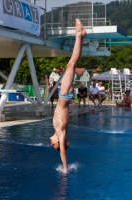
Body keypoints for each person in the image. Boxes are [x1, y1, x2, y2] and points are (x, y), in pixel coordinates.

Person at [50, 19, 87, 172]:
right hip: (65, 96)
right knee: (71, 64)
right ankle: (80, 35)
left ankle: (80, 35)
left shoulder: (61, 131)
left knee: (72, 64)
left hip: (65, 97)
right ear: (58, 141)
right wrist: (65, 169)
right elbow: (63, 153)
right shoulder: (61, 133)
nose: (50, 142)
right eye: (53, 144)